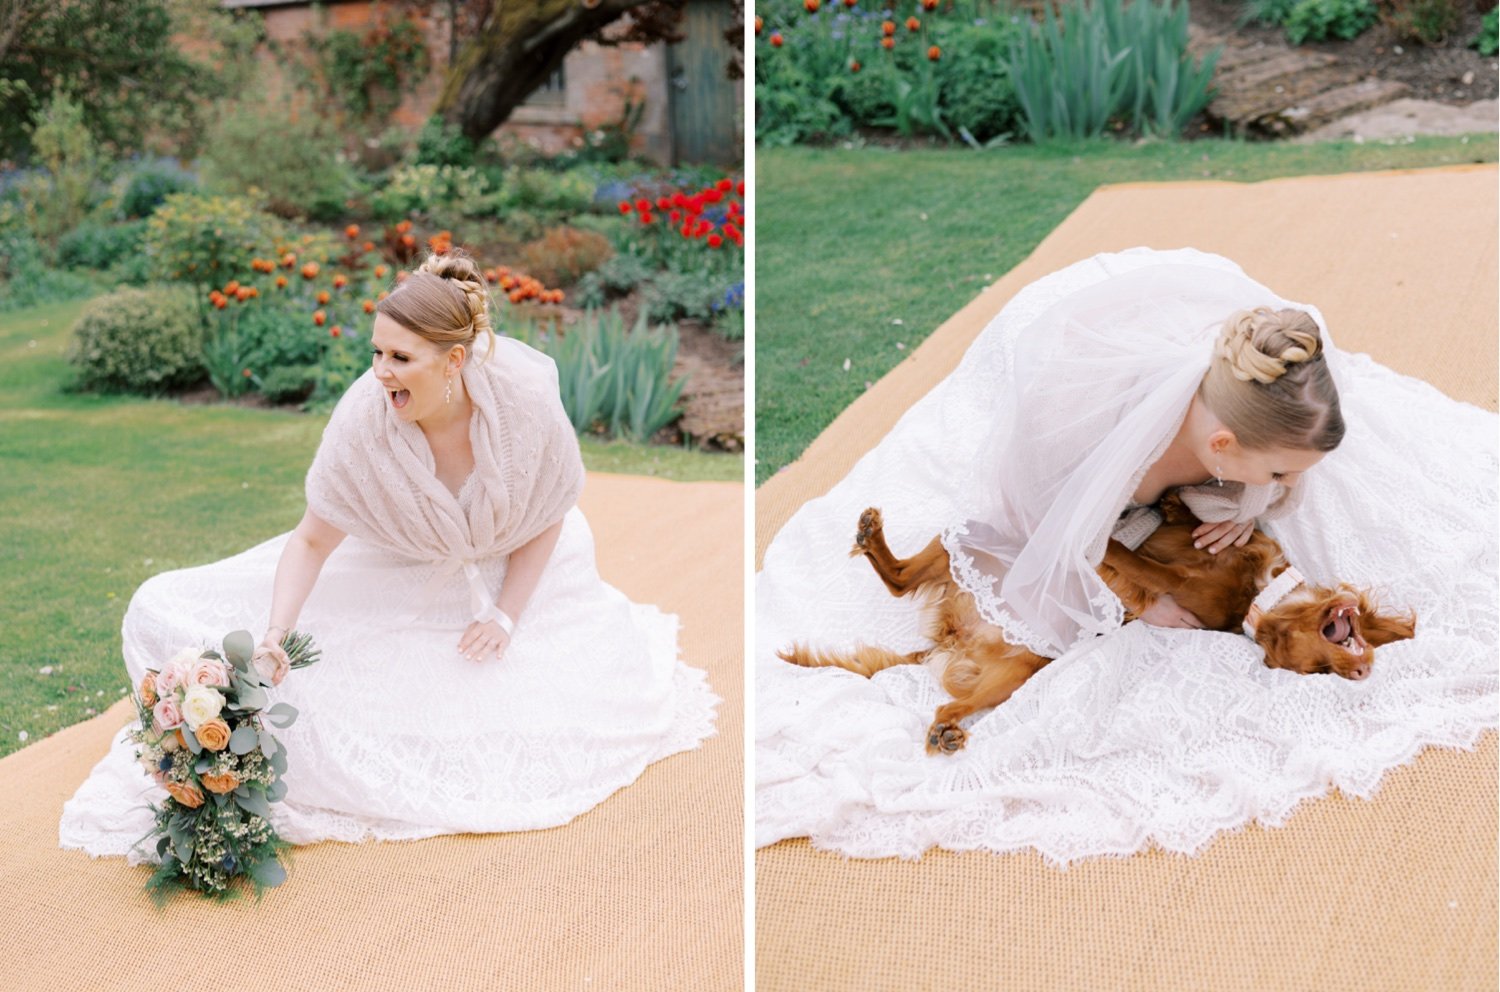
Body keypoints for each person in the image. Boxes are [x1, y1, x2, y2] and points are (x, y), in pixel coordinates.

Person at [755, 247, 1496, 861]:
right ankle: (899, 585)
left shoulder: (1236, 437)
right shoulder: (1103, 449)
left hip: (1170, 395)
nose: (1289, 490)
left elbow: (1261, 486)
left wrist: (1253, 501)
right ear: (1221, 447)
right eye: (1279, 474)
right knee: (1044, 619)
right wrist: (1154, 597)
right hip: (1049, 438)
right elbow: (1056, 530)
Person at [61, 251, 717, 858]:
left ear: (454, 362)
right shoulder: (363, 419)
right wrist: (274, 636)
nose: (381, 373)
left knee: (520, 708)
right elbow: (313, 540)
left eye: (401, 358)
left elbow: (549, 518)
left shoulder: (523, 405)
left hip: (524, 566)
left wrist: (506, 617)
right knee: (163, 606)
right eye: (377, 353)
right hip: (403, 564)